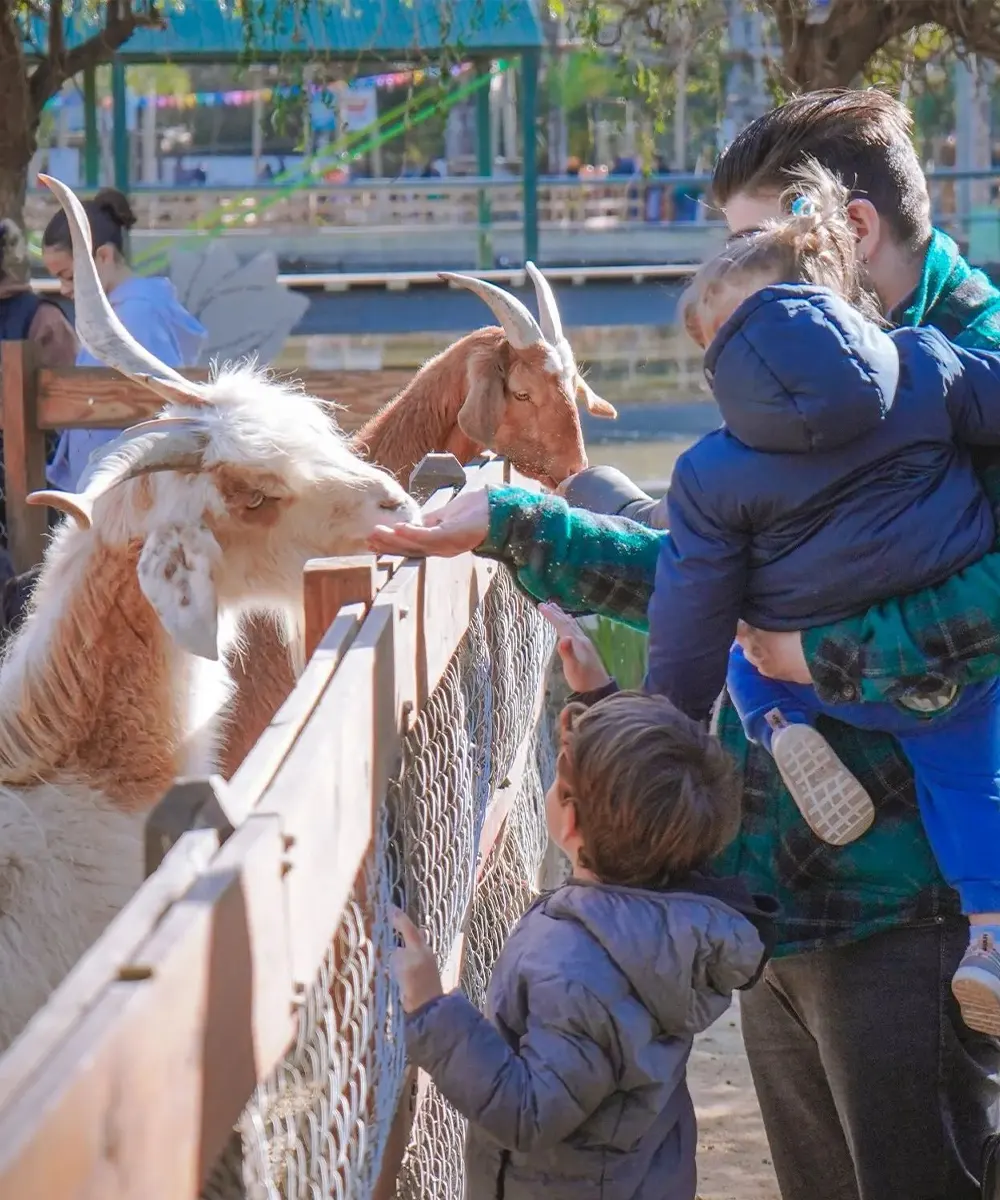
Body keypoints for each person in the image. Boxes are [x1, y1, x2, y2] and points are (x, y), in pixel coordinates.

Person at [370, 90, 1000, 1200]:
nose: (730, 279)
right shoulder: (807, 361)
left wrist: (815, 656)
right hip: (782, 880)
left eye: (750, 246)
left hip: (913, 902)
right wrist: (524, 523)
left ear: (847, 230)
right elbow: (717, 574)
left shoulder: (954, 368)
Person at [649, 159, 1000, 1031]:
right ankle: (991, 937)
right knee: (971, 781)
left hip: (810, 670)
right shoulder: (925, 360)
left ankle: (777, 724)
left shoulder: (710, 472)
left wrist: (670, 717)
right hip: (948, 673)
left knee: (741, 642)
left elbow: (690, 612)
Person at [391, 608, 775, 1200]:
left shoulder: (575, 971)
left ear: (569, 820)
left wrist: (432, 1012)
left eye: (561, 780)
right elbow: (651, 796)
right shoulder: (670, 909)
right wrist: (596, 697)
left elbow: (528, 1112)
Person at [41, 188, 207, 492]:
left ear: (103, 256)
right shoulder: (120, 313)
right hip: (116, 483)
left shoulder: (137, 314)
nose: (64, 289)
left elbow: (159, 409)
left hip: (132, 489)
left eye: (69, 276)